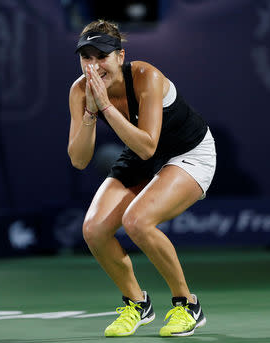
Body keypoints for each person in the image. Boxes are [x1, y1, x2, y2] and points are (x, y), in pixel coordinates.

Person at [68, 19, 216, 337]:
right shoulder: (80, 91)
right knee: (93, 230)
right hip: (139, 152)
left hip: (189, 152)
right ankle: (137, 303)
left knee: (137, 221)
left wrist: (105, 107)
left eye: (101, 56)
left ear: (119, 57)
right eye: (86, 57)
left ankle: (187, 304)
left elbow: (149, 147)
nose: (94, 65)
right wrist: (90, 113)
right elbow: (79, 160)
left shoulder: (146, 76)